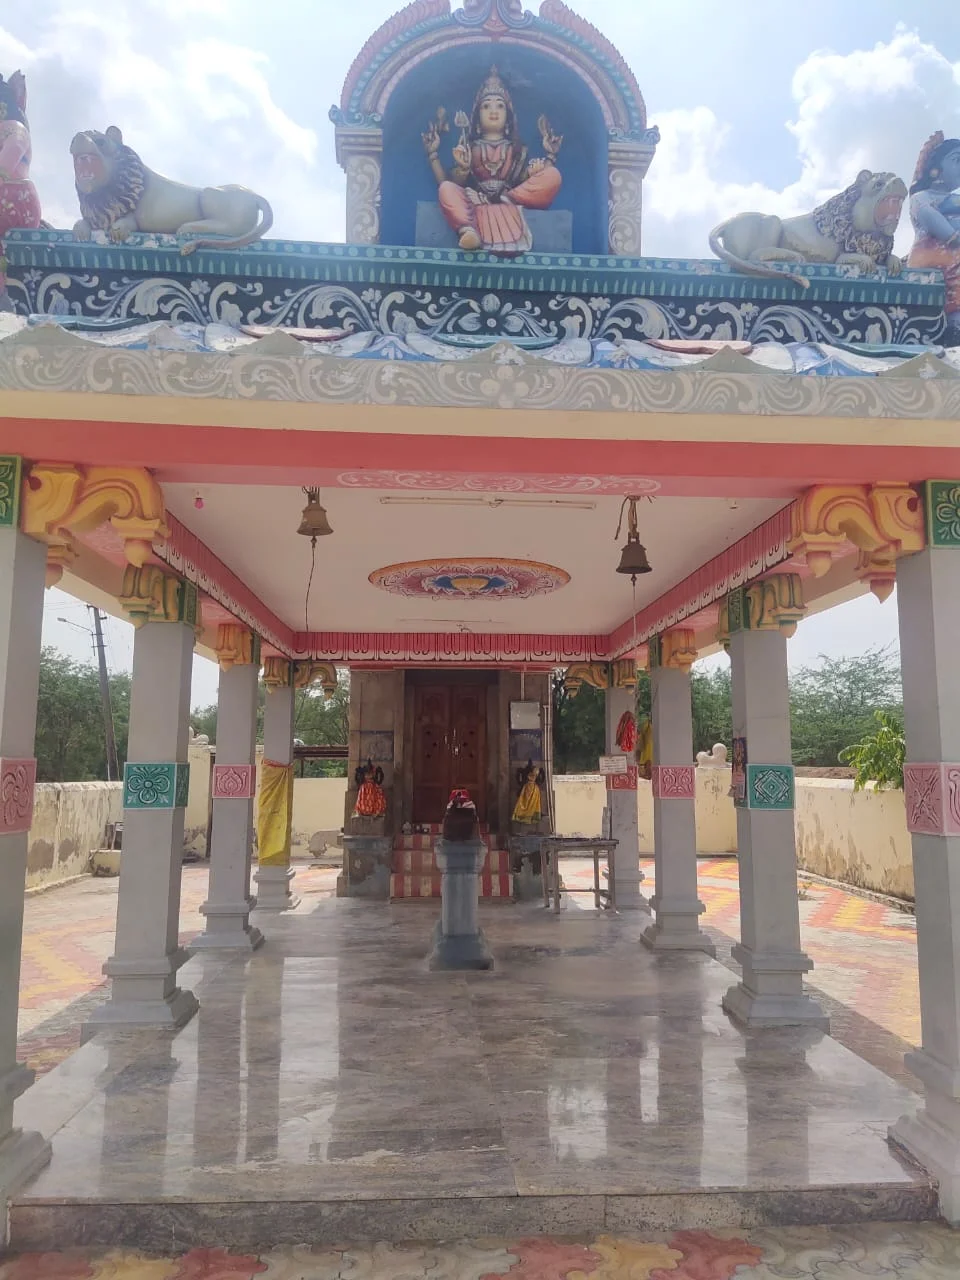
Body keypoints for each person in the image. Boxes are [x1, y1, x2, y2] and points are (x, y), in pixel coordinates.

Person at [422, 67, 562, 255]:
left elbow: (525, 180)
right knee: (447, 189)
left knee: (552, 176)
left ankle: (504, 200)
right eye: (486, 106)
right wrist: (448, 161)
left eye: (500, 106)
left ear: (508, 115)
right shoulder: (469, 147)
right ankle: (468, 231)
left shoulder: (518, 149)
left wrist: (544, 163)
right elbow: (447, 183)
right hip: (475, 200)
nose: (493, 111)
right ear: (477, 116)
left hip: (510, 198)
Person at [908, 133, 960, 339]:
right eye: (957, 160)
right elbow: (931, 217)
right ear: (936, 166)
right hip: (936, 261)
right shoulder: (922, 197)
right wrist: (953, 236)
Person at [512, 759, 545, 825]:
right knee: (527, 801)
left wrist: (520, 783)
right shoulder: (534, 770)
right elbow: (542, 775)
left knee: (530, 801)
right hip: (530, 788)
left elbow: (542, 774)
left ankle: (528, 815)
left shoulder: (529, 770)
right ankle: (527, 815)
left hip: (529, 788)